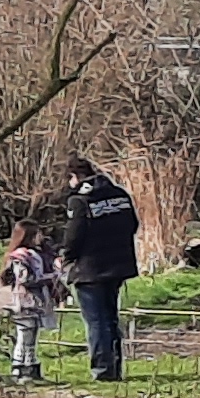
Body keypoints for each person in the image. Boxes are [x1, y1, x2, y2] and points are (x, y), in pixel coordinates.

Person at [60, 156, 142, 381]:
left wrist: (66, 258)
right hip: (118, 264)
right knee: (111, 318)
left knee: (96, 321)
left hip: (89, 269)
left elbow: (73, 236)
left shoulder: (79, 201)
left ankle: (103, 370)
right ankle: (115, 367)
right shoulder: (119, 194)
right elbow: (133, 225)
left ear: (74, 177)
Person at [0, 218, 66, 382]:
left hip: (37, 301)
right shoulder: (21, 257)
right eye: (37, 234)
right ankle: (22, 368)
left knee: (32, 334)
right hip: (25, 301)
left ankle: (30, 365)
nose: (41, 237)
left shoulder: (39, 254)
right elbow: (25, 279)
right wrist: (51, 277)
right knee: (24, 335)